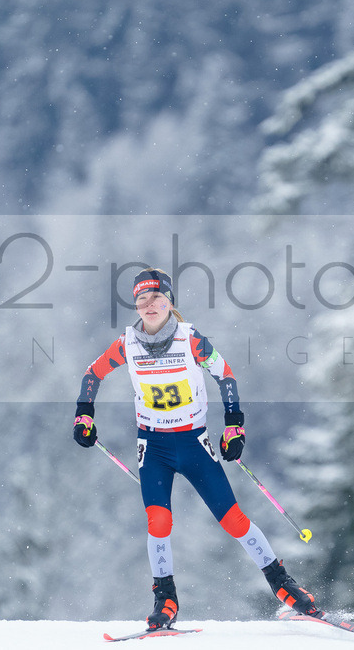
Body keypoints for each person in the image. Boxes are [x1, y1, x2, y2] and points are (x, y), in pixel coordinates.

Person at [72, 268, 321, 629]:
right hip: (153, 446)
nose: (149, 305)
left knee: (233, 519)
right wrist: (84, 415)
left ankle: (283, 584)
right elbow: (93, 374)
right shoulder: (127, 343)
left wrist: (234, 424)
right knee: (159, 521)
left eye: (156, 297)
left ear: (170, 302)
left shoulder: (190, 339)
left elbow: (225, 374)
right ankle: (165, 599)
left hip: (193, 442)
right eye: (142, 299)